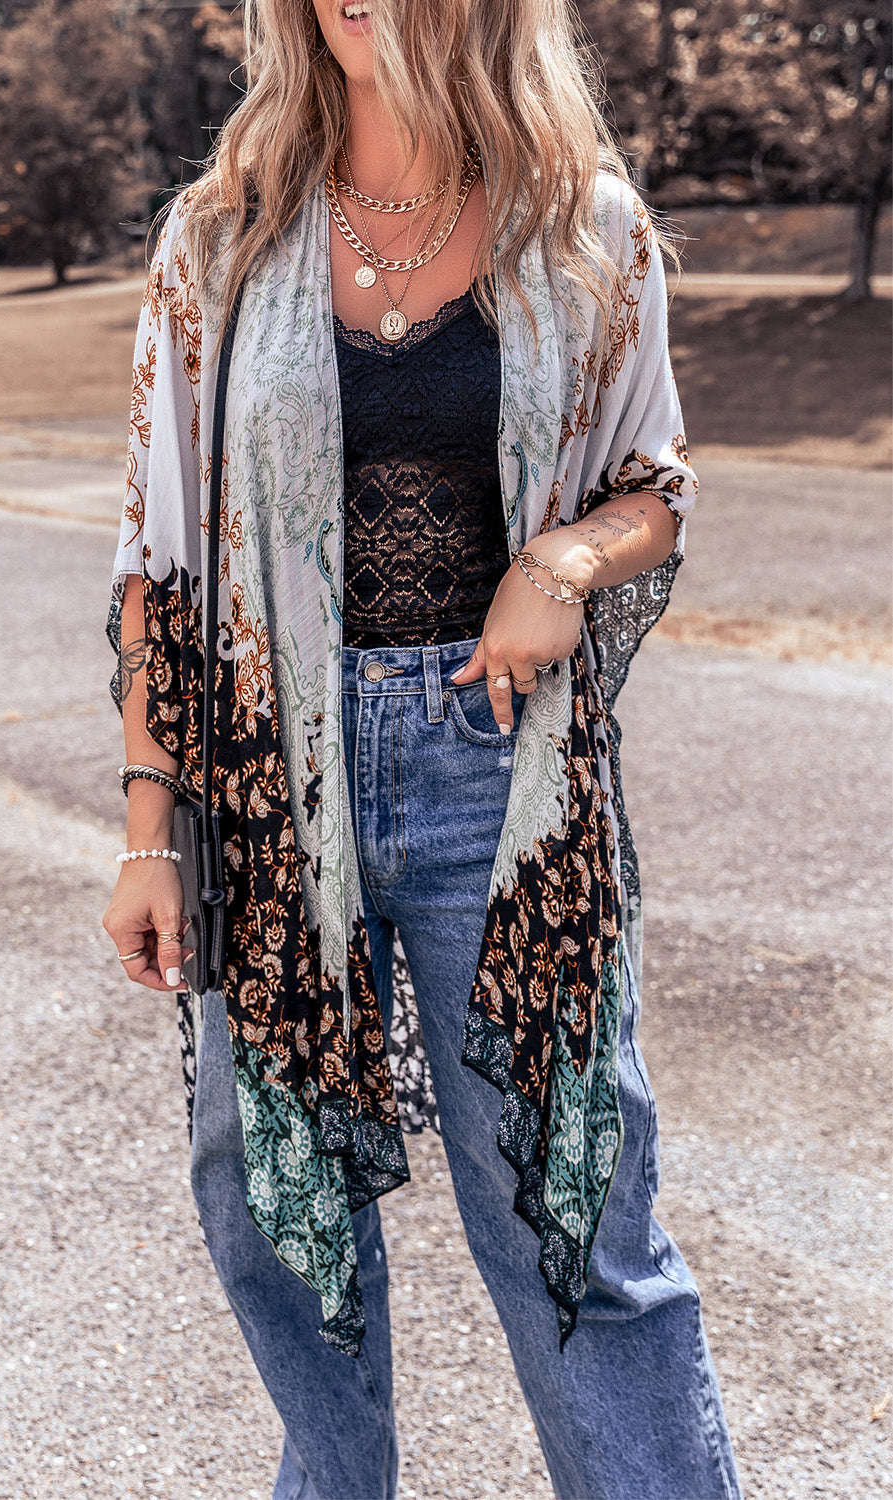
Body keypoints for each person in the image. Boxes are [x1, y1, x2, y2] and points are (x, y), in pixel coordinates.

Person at [103, 1, 744, 1496]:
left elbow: (652, 483)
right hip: (269, 788)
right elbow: (160, 557)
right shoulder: (220, 239)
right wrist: (150, 829)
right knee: (276, 1213)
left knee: (575, 1226)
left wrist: (562, 563)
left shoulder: (584, 226)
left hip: (504, 780)